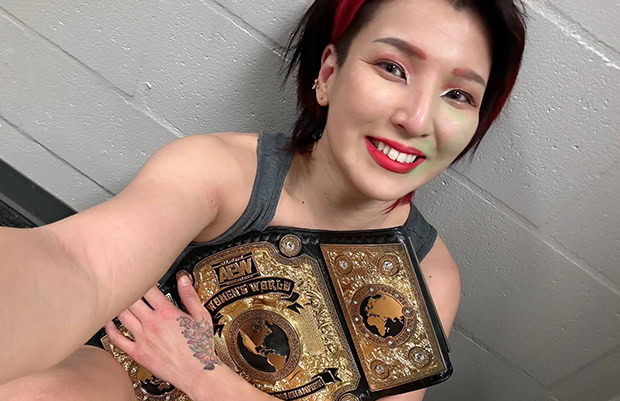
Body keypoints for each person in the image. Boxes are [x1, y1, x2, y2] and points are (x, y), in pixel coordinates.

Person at [0, 0, 526, 399]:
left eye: (459, 95)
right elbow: (79, 262)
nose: (417, 119)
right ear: (329, 74)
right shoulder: (220, 172)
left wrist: (202, 373)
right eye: (393, 68)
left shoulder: (431, 275)